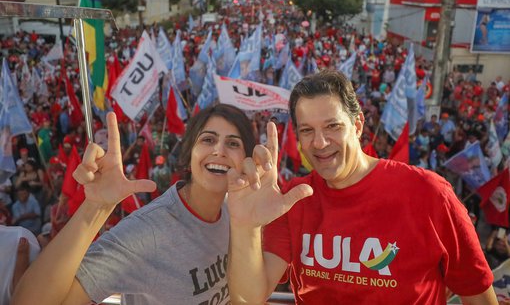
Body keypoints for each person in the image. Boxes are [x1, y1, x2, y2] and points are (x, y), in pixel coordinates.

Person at [227, 70, 497, 304]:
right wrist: (244, 226)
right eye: (307, 130)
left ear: (357, 126)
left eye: (332, 126)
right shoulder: (294, 197)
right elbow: (250, 298)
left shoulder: (429, 193)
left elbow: (477, 294)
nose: (320, 143)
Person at [13, 104, 256, 305]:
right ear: (189, 152)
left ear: (246, 159)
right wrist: (96, 207)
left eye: (233, 143)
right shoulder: (148, 233)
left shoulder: (235, 212)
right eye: (208, 139)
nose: (219, 151)